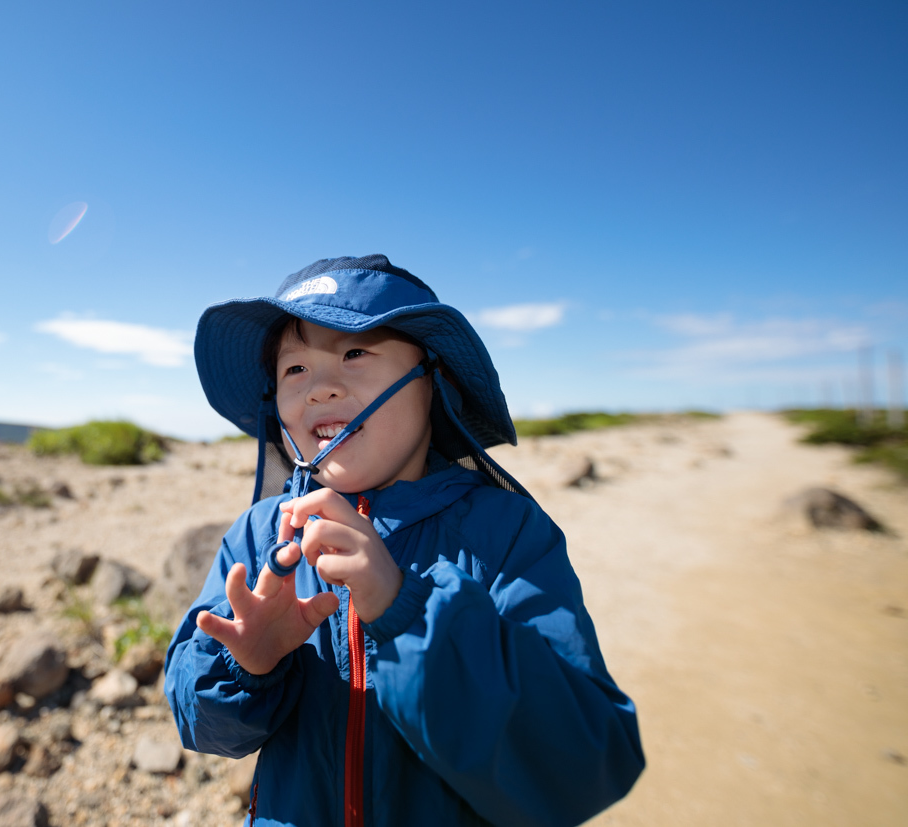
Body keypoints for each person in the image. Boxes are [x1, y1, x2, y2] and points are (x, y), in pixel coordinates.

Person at [163, 255, 645, 827]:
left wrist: (407, 611)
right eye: (294, 369)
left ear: (432, 383)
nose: (319, 388)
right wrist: (247, 667)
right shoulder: (262, 534)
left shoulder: (506, 531)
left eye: (355, 352)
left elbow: (584, 766)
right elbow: (203, 726)